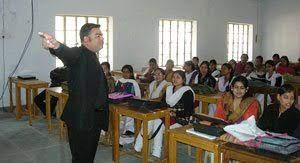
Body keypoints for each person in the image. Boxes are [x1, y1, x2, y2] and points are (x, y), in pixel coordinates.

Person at [40, 23, 109, 163]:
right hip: (83, 119)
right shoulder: (80, 53)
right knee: (82, 158)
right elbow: (68, 53)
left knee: (84, 158)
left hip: (89, 118)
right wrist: (55, 45)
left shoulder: (92, 56)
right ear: (86, 40)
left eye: (102, 35)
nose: (102, 38)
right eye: (98, 35)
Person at [135, 70, 194, 158]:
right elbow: (162, 104)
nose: (175, 79)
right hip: (166, 116)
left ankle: (154, 152)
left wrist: (174, 113)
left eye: (178, 77)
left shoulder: (187, 91)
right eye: (173, 77)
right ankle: (139, 147)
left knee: (157, 122)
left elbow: (189, 112)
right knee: (149, 120)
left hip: (181, 119)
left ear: (183, 80)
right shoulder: (169, 89)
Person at [134, 68, 171, 158]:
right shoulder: (152, 84)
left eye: (159, 74)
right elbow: (147, 96)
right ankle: (138, 147)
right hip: (151, 108)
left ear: (164, 75)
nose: (157, 76)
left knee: (149, 122)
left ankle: (146, 149)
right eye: (155, 74)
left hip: (162, 110)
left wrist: (149, 101)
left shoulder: (167, 85)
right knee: (146, 122)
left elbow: (161, 99)